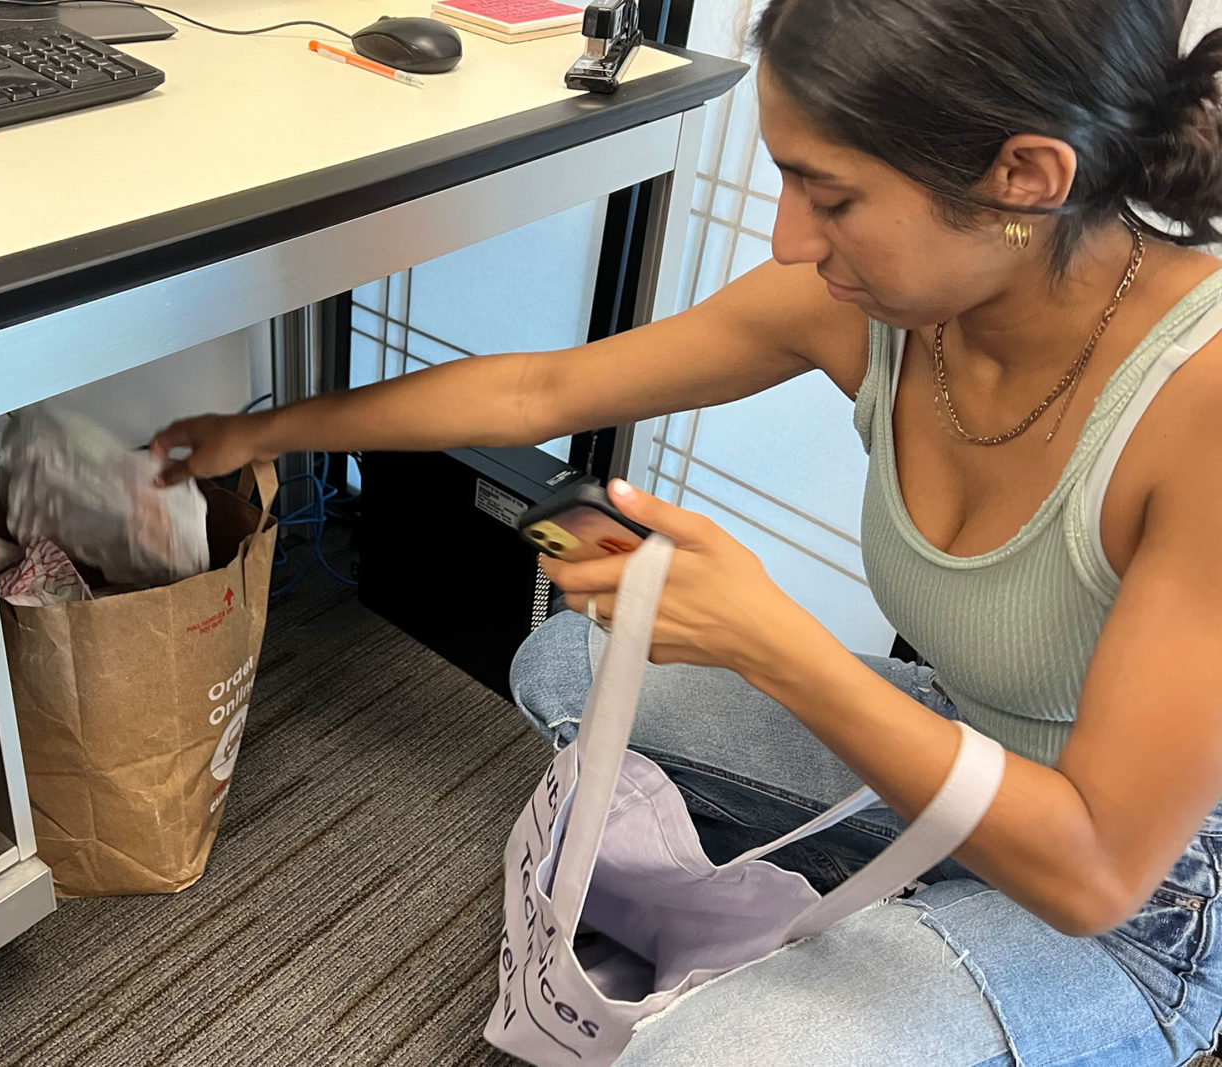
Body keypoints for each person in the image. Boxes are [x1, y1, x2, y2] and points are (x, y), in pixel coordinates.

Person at [151, 0, 1222, 1061]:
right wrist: (262, 428)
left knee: (701, 1054)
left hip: (1143, 901)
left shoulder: (1200, 403)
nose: (788, 238)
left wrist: (768, 641)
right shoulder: (877, 311)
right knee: (566, 662)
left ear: (1023, 177)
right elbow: (541, 390)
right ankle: (911, 927)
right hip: (973, 736)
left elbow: (1096, 873)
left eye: (832, 196)